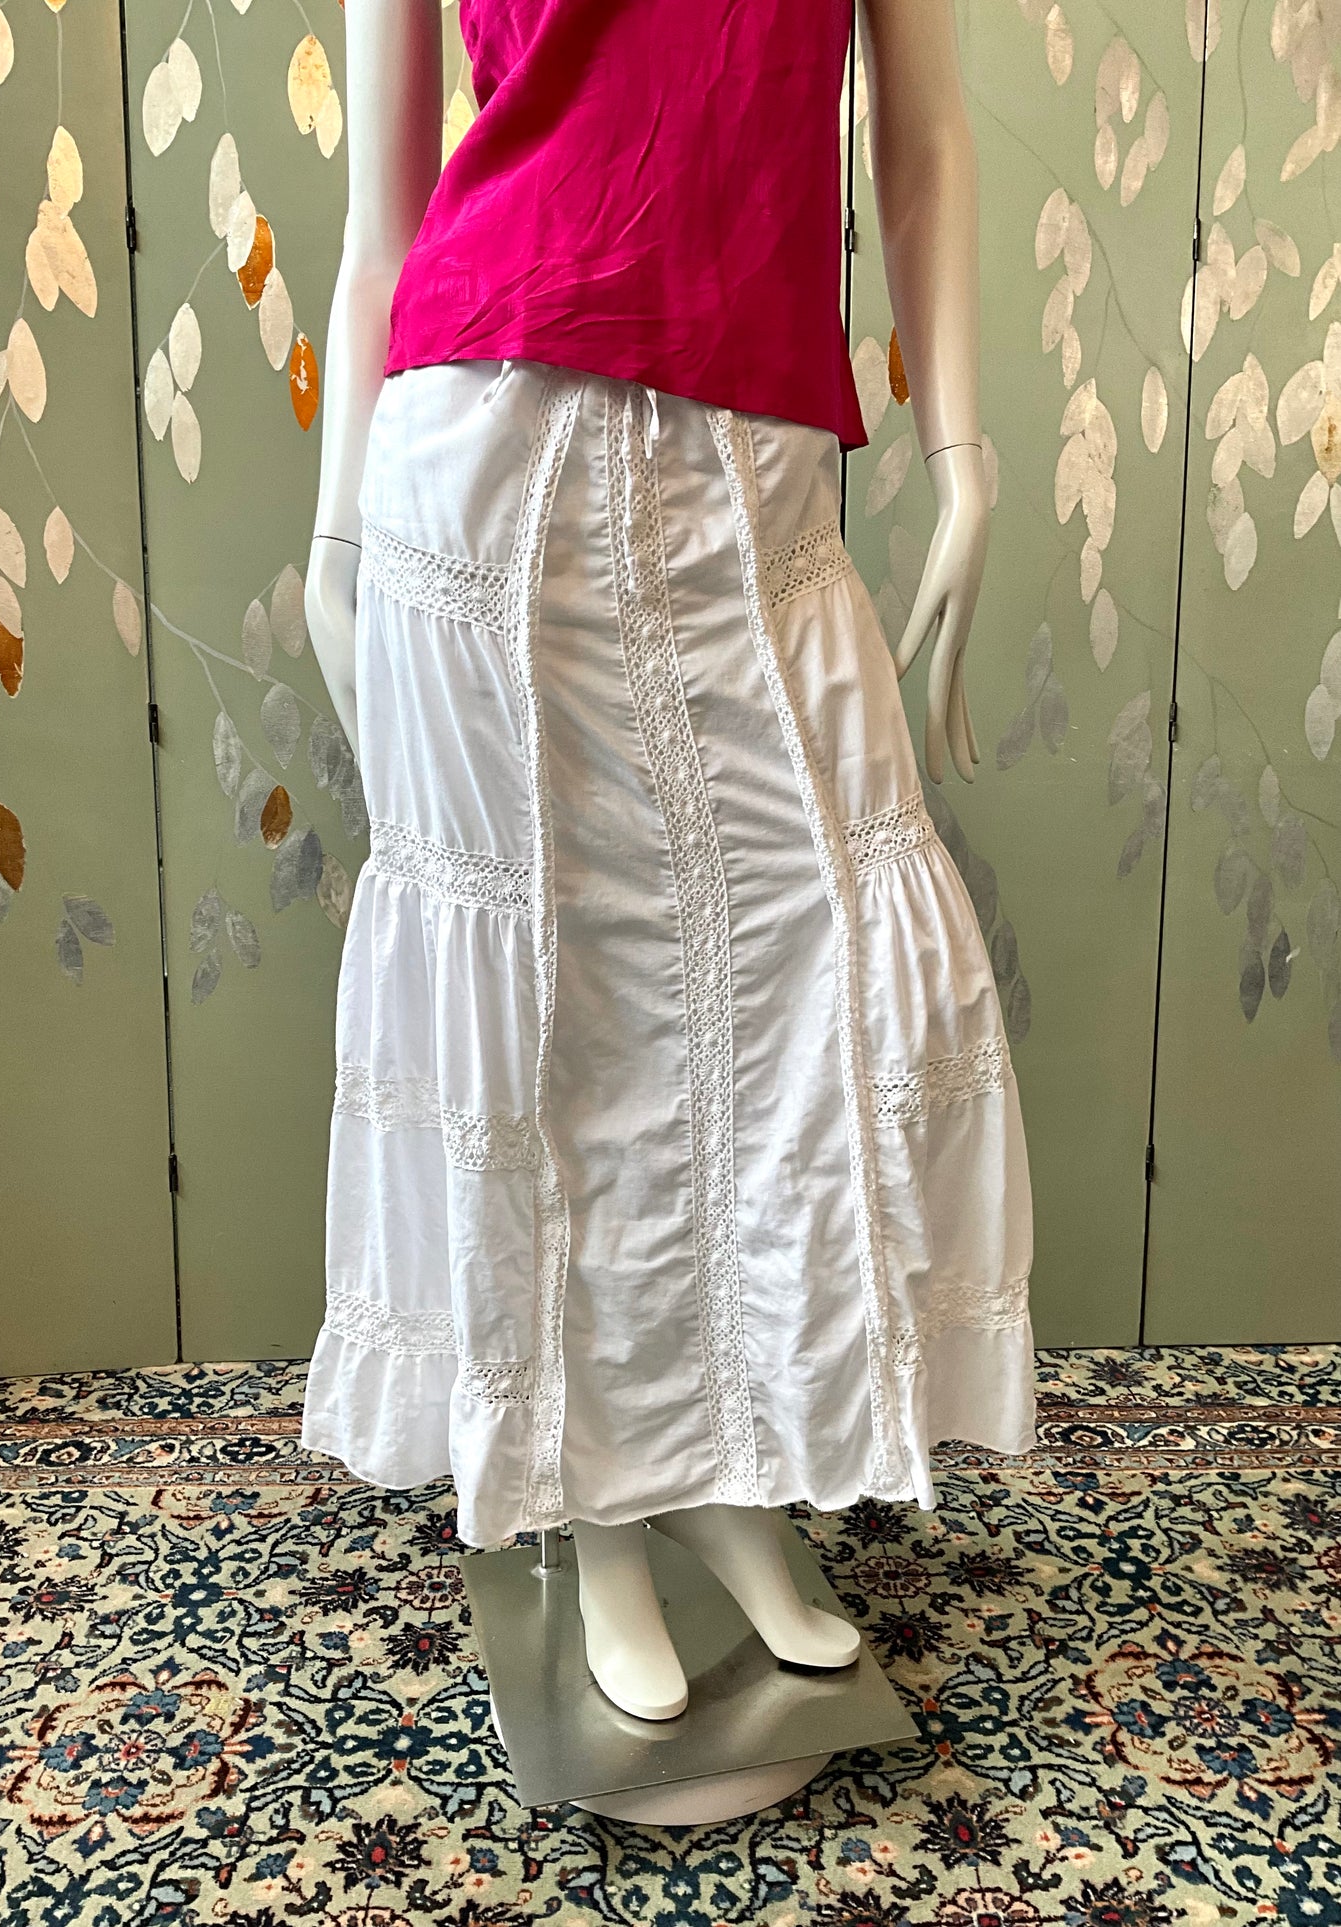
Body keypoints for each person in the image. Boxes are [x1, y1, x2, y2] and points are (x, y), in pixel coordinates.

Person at [299, 0, 1036, 1728]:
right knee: (563, 1023)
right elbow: (378, 215)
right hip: (486, 444)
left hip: (752, 469)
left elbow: (922, 137)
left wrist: (965, 454)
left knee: (796, 985)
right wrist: (333, 539)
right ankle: (601, 1513)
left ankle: (724, 1471)